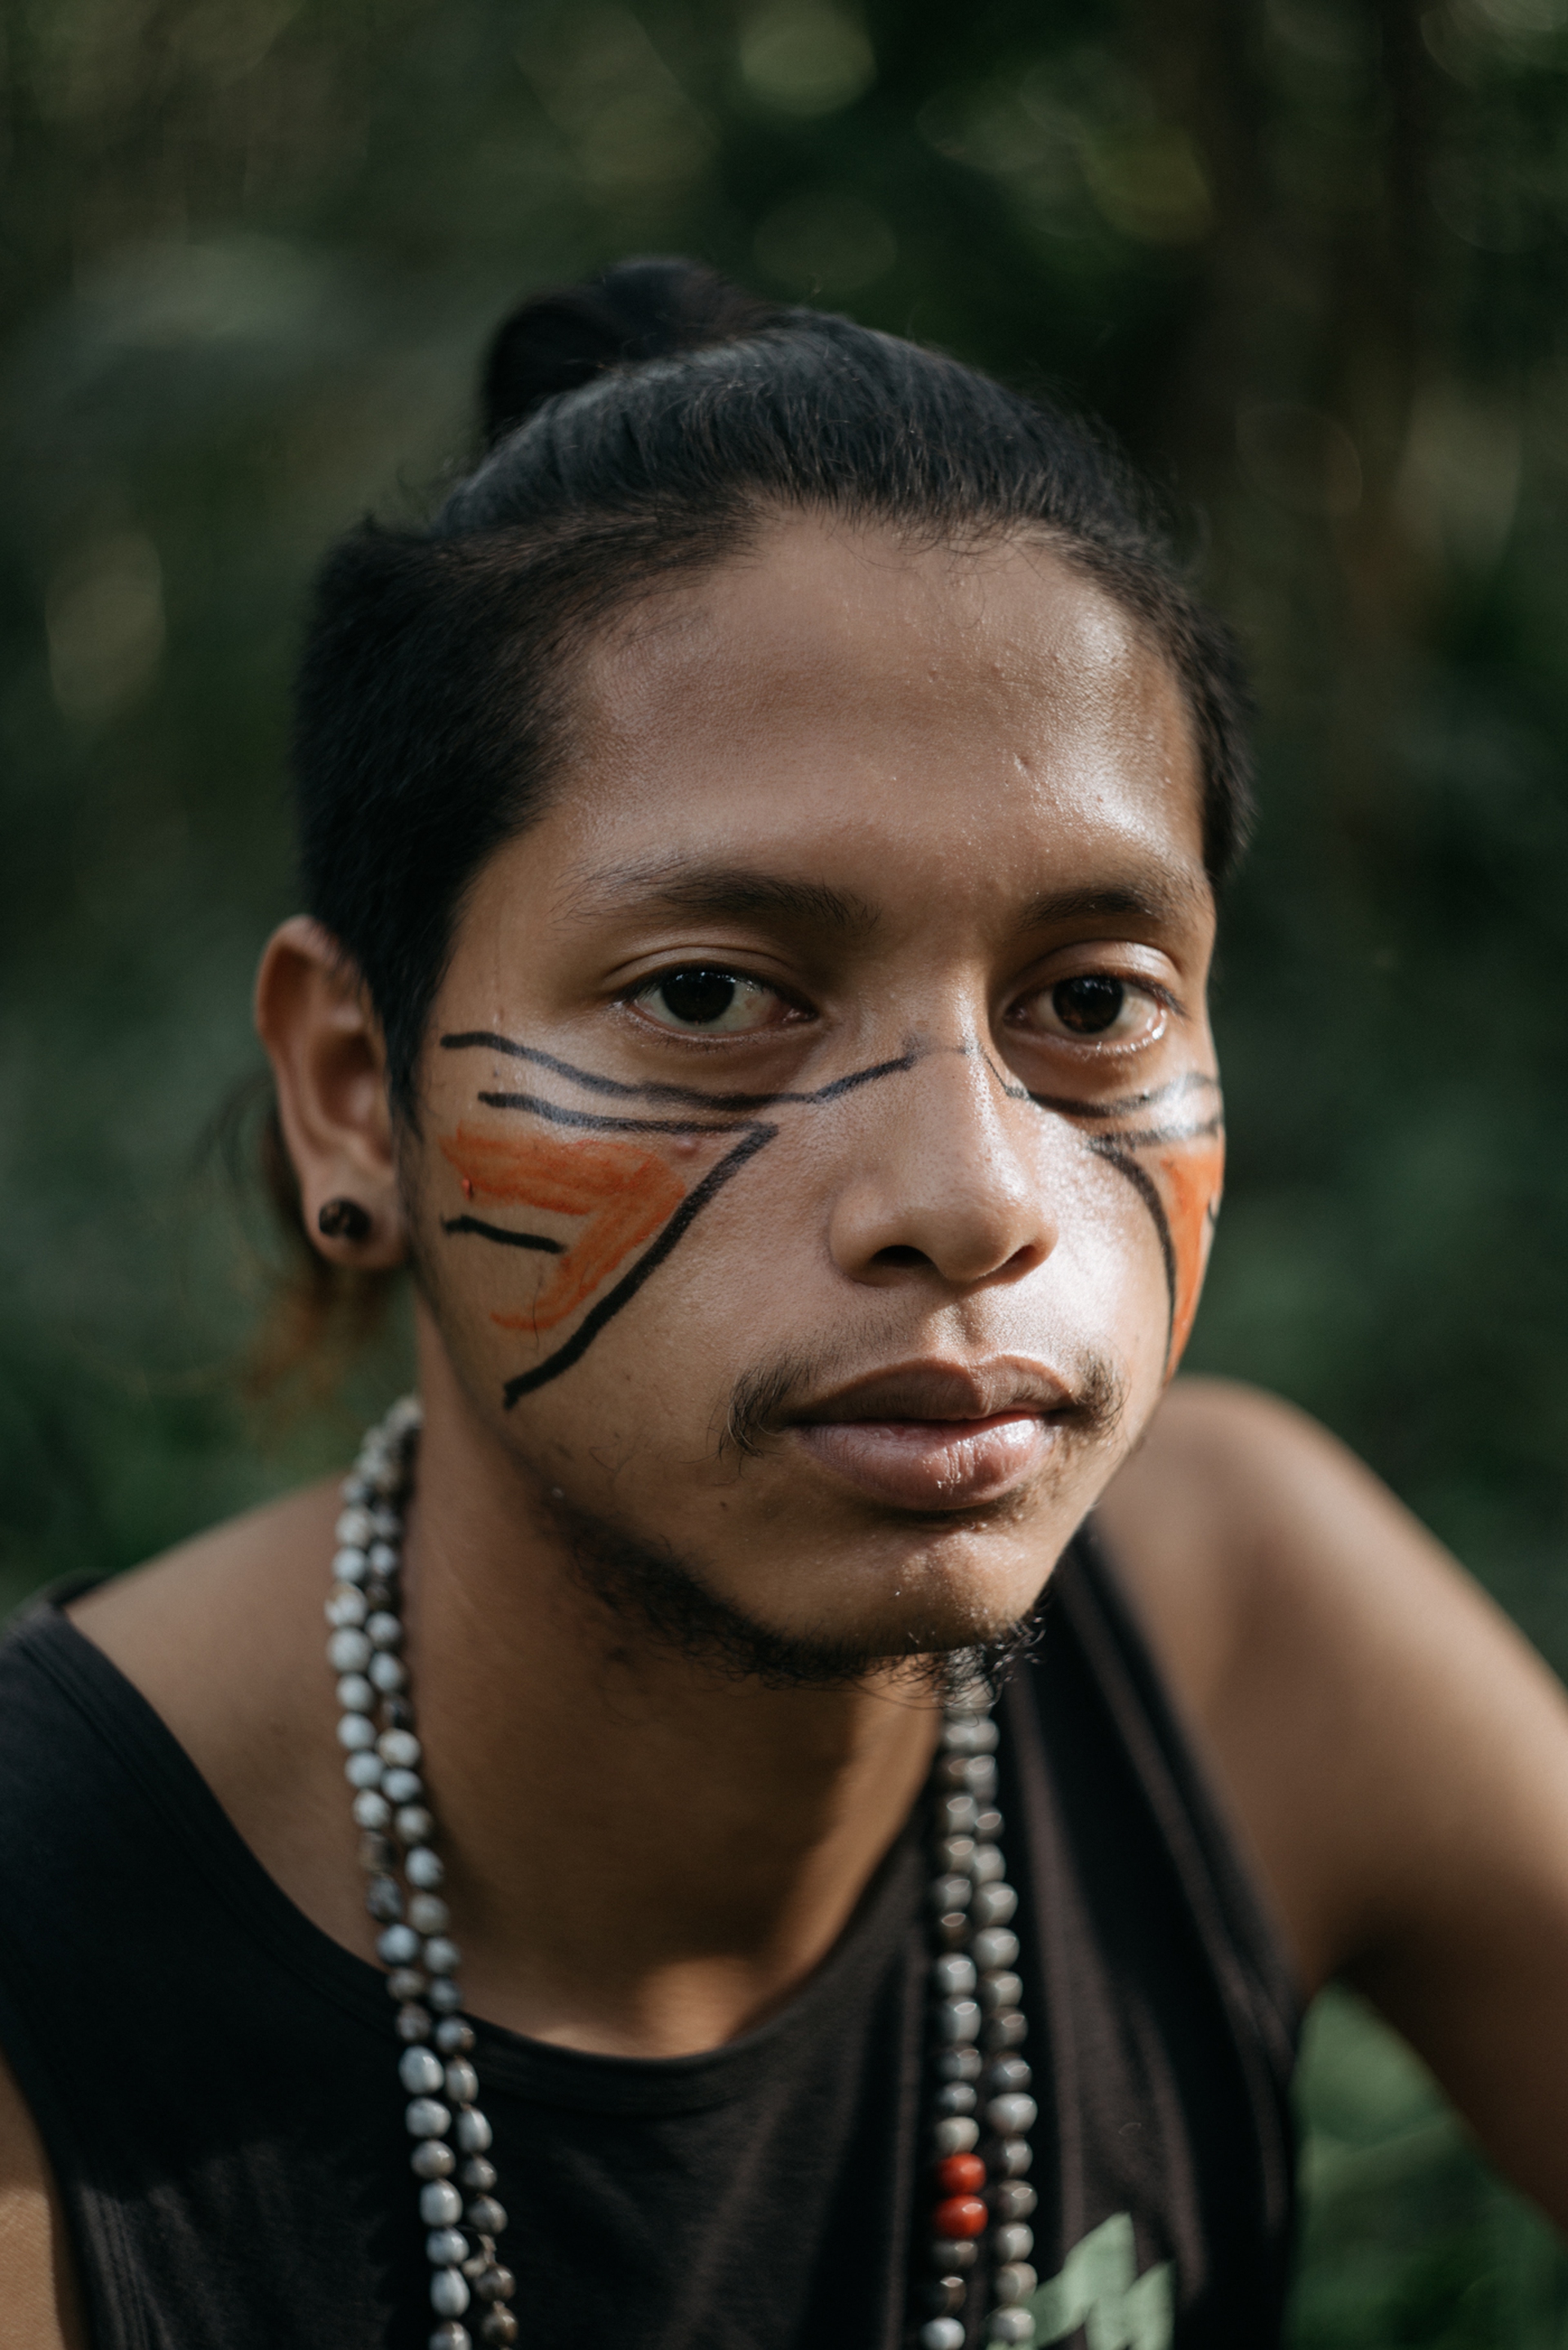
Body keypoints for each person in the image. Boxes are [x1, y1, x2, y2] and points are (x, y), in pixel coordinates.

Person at [3, 259, 1568, 2350]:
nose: (972, 1196)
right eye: (710, 993)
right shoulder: (51, 1977)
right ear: (355, 1090)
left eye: (1091, 999)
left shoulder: (1244, 1621)